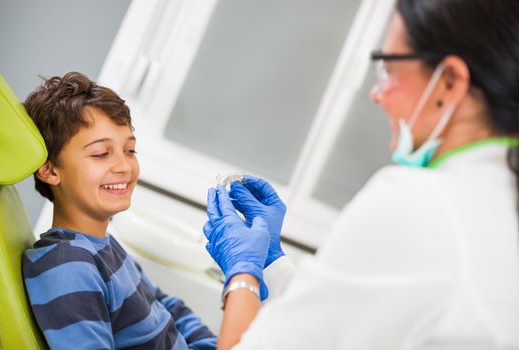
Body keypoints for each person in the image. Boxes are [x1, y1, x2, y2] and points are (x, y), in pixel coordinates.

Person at [203, 0, 519, 348]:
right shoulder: (496, 202)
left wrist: (242, 273)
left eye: (388, 68)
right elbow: (345, 321)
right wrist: (271, 262)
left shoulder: (421, 203)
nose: (376, 93)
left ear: (448, 83)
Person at [22, 72, 217, 349]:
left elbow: (168, 308)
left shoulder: (106, 247)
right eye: (102, 153)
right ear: (50, 170)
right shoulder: (67, 267)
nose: (124, 166)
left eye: (129, 150)